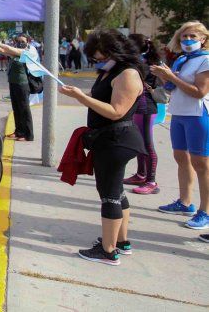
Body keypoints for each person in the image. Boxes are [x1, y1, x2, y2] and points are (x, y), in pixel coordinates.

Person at [59, 30, 146, 265]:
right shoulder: (111, 71)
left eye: (101, 56)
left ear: (115, 51)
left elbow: (117, 111)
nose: (98, 61)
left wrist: (82, 98)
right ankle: (121, 241)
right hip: (109, 139)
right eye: (95, 57)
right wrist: (78, 94)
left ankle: (108, 251)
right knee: (116, 191)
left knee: (109, 195)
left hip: (117, 140)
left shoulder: (128, 74)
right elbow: (101, 97)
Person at [152, 21, 209, 231]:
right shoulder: (182, 59)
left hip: (198, 114)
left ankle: (205, 211)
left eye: (193, 36)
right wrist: (164, 76)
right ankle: (185, 202)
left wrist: (171, 77)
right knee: (181, 158)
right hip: (178, 113)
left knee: (201, 164)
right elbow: (172, 88)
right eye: (184, 36)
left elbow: (199, 92)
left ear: (203, 39)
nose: (188, 40)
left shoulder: (205, 60)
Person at [123, 34, 161, 195]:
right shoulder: (138, 61)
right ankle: (140, 174)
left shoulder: (144, 64)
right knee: (140, 143)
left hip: (146, 108)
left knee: (147, 144)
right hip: (137, 108)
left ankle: (151, 182)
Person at [0, 34, 38, 141]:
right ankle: (19, 132)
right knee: (16, 108)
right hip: (13, 83)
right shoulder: (15, 53)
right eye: (18, 41)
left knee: (24, 109)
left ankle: (28, 135)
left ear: (27, 42)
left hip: (22, 84)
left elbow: (8, 48)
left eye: (23, 41)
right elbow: (3, 51)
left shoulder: (27, 52)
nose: (20, 43)